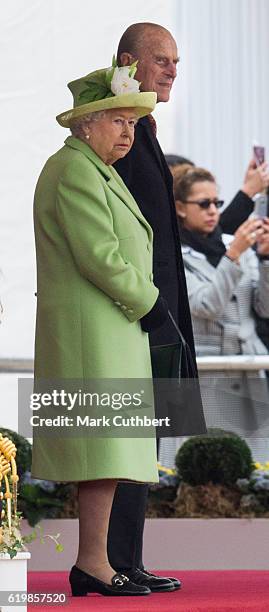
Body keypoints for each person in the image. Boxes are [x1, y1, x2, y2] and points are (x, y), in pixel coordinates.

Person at [31, 62, 172, 597]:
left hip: (108, 328)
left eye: (132, 124)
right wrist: (152, 304)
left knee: (105, 454)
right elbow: (100, 256)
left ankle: (95, 562)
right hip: (93, 331)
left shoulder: (94, 168)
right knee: (99, 450)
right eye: (117, 120)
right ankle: (93, 562)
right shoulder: (72, 169)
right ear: (85, 124)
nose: (127, 132)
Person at [107, 22, 205, 592]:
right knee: (126, 436)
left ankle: (126, 559)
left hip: (160, 308)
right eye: (161, 60)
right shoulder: (116, 130)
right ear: (127, 62)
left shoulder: (143, 128)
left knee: (146, 438)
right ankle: (111, 563)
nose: (172, 69)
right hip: (138, 311)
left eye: (176, 61)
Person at [159, 164, 269, 466]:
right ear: (180, 208)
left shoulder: (233, 245)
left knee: (257, 468)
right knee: (203, 465)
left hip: (249, 369)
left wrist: (264, 259)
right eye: (204, 203)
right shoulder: (173, 255)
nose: (213, 211)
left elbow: (264, 308)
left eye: (217, 203)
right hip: (208, 374)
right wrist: (233, 255)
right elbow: (206, 305)